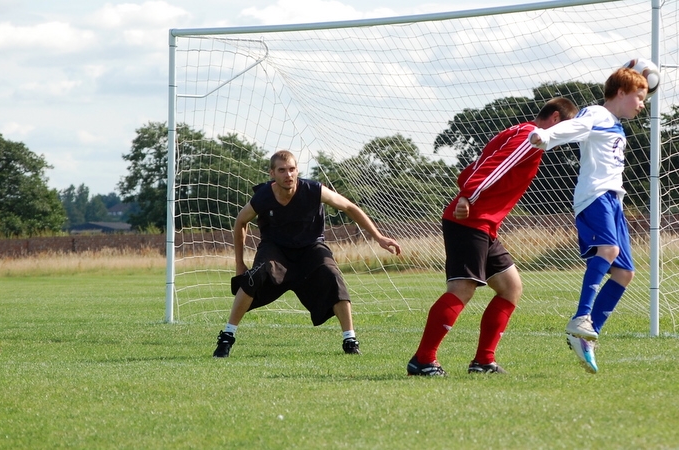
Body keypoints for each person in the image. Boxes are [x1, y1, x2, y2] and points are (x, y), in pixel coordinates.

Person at [406, 98, 578, 376]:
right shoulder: (531, 137)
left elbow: (481, 160)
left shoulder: (517, 131)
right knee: (462, 289)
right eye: (569, 128)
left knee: (511, 287)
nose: (568, 137)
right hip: (471, 220)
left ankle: (483, 361)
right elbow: (494, 166)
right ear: (556, 119)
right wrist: (469, 194)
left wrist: (468, 191)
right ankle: (423, 360)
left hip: (483, 224)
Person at [213, 150, 401, 357]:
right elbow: (240, 221)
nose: (288, 175)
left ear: (297, 171)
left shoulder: (314, 190)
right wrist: (239, 264)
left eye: (292, 169)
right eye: (282, 170)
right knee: (254, 276)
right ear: (272, 174)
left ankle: (350, 339)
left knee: (332, 276)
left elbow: (349, 206)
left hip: (311, 247)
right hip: (275, 249)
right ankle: (227, 337)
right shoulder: (263, 197)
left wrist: (379, 237)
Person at [528, 67, 649, 374]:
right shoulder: (596, 113)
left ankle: (587, 334)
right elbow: (576, 127)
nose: (642, 104)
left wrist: (638, 73)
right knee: (607, 251)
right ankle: (581, 317)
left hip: (613, 200)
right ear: (621, 93)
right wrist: (546, 136)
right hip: (595, 196)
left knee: (624, 273)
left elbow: (624, 90)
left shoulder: (615, 124)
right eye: (639, 97)